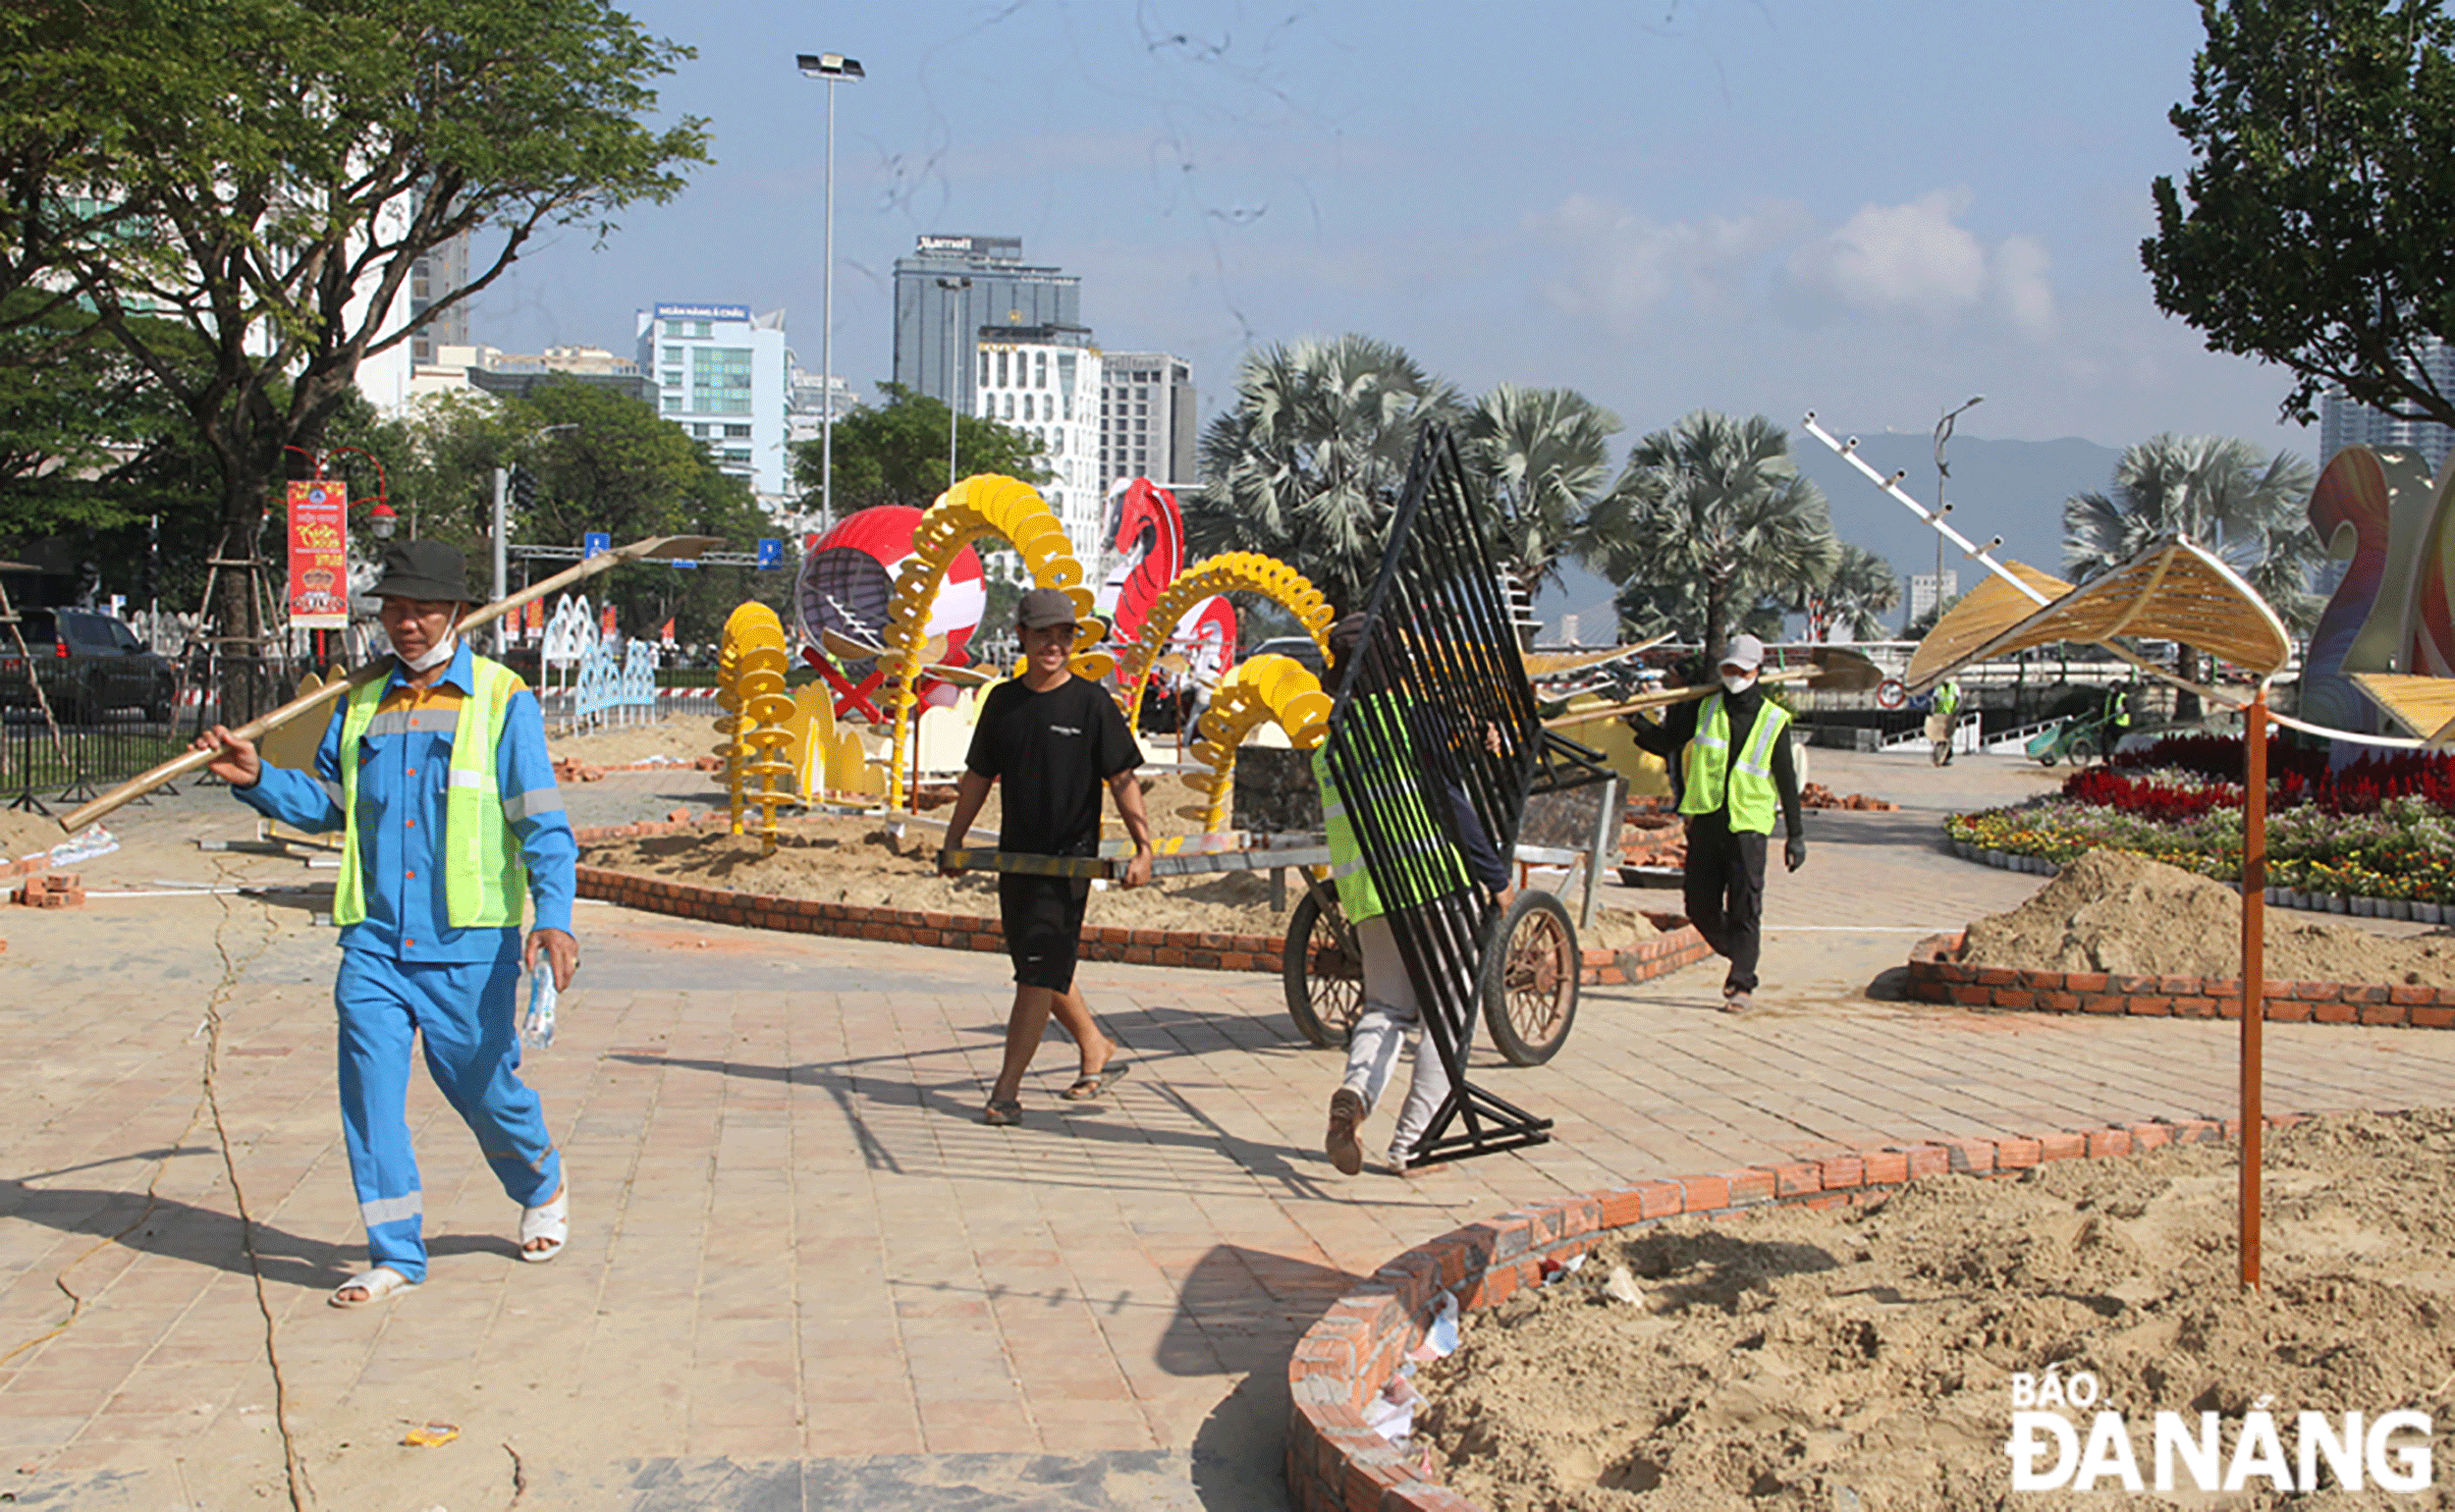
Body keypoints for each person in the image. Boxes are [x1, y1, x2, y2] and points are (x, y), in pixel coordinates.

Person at [191, 541, 576, 1308]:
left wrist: (554, 918)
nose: (405, 623)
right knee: (369, 1097)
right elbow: (331, 808)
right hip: (372, 940)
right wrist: (257, 778)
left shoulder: (502, 700)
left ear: (457, 614)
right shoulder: (360, 703)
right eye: (393, 609)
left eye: (421, 610)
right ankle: (395, 1253)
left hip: (470, 943)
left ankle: (541, 1180)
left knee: (482, 1088)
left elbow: (542, 823)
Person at [940, 587, 1154, 1126]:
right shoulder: (1003, 704)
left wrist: (1143, 846)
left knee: (1036, 971)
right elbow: (977, 778)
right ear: (1022, 638)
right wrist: (954, 839)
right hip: (1017, 861)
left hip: (1069, 863)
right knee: (1038, 962)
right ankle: (1095, 1045)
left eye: (1063, 635)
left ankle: (1006, 1091)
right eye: (1043, 634)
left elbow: (1123, 777)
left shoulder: (1091, 703)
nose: (1053, 644)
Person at [1318, 614, 1511, 1177]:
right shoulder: (1412, 720)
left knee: (1384, 1009)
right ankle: (1412, 1145)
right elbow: (1450, 802)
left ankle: (1355, 1095)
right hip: (1435, 884)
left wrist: (1469, 741)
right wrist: (1494, 877)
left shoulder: (1335, 736)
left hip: (1373, 895)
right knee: (1446, 1017)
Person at [1625, 632, 1805, 1013]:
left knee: (1745, 906)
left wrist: (1796, 836)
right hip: (1706, 821)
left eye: (1741, 668)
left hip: (1748, 827)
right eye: (1728, 667)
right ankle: (1741, 955)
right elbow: (1666, 742)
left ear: (1757, 670)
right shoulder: (1705, 708)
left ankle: (1742, 982)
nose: (1733, 674)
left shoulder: (1774, 720)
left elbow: (1787, 780)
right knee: (1699, 906)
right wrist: (1635, 721)